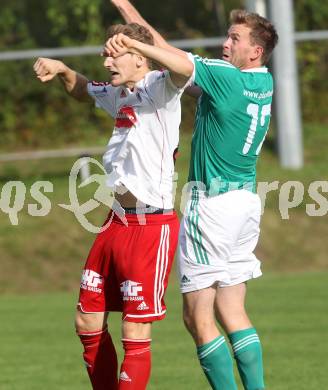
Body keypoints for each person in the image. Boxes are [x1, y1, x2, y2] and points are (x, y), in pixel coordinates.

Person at [110, 1, 278, 389]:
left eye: (235, 38)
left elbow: (173, 60)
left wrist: (132, 44)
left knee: (196, 318)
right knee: (232, 310)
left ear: (255, 51)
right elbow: (175, 58)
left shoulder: (227, 77)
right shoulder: (262, 82)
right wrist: (128, 10)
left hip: (212, 207)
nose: (225, 43)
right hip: (246, 204)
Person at [33, 22, 192, 389]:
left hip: (151, 226)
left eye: (114, 53)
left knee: (134, 328)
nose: (106, 62)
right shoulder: (120, 92)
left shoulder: (160, 87)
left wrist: (146, 46)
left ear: (139, 58)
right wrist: (62, 69)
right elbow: (84, 91)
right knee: (86, 319)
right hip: (115, 223)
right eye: (105, 53)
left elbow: (184, 68)